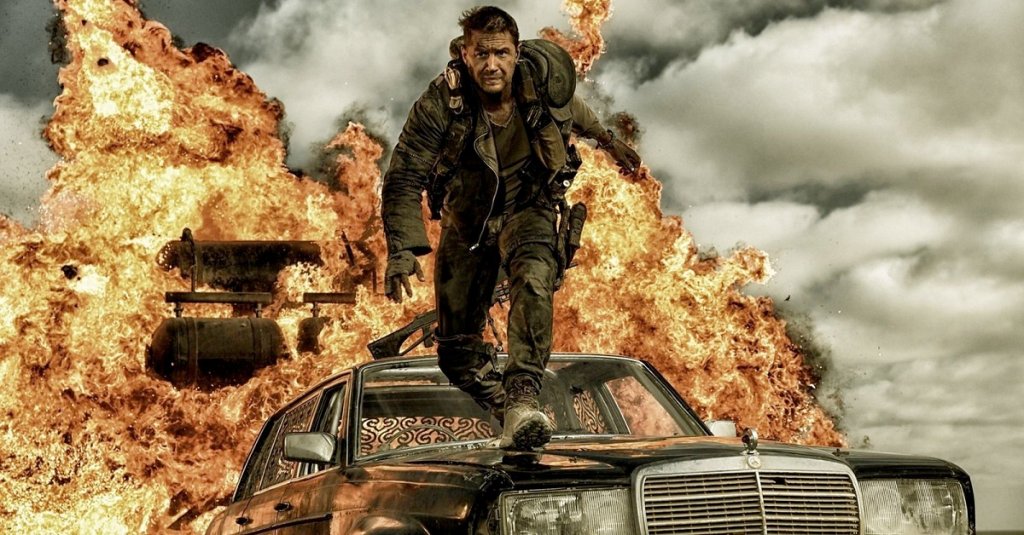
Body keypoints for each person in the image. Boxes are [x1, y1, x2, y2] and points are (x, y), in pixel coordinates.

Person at [381, 6, 640, 449]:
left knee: (535, 279)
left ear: (516, 53)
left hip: (529, 205)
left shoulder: (541, 80)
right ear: (464, 54)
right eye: (481, 54)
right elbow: (405, 174)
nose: (491, 65)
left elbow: (572, 109)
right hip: (468, 222)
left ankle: (523, 395)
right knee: (455, 353)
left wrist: (610, 141)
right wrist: (402, 249)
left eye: (500, 53)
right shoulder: (440, 103)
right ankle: (514, 414)